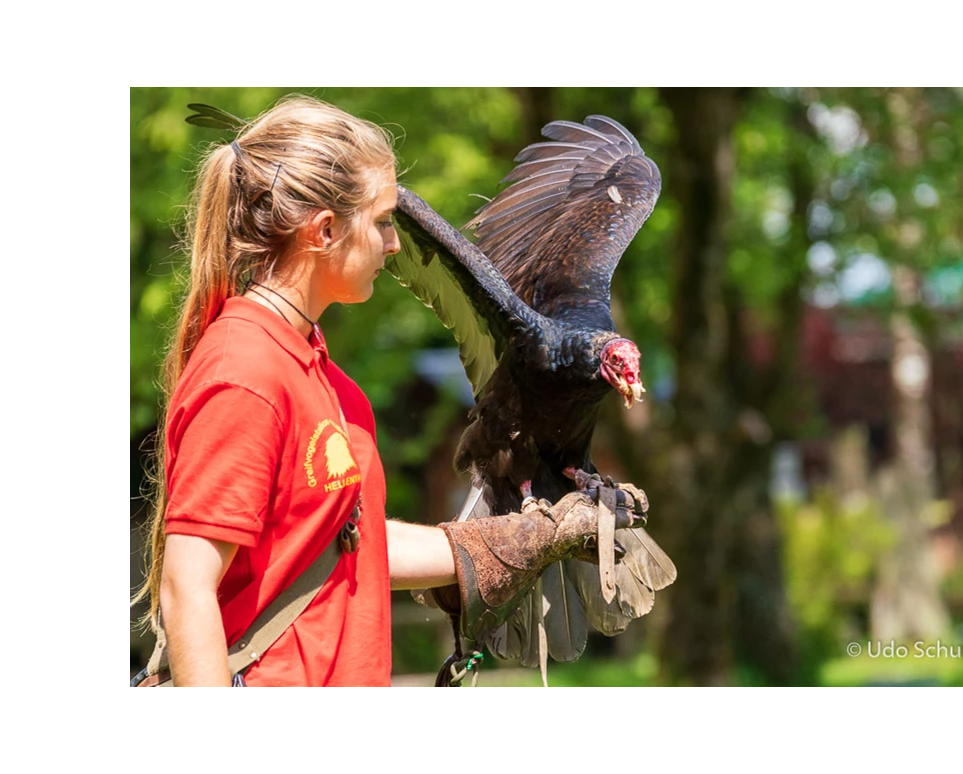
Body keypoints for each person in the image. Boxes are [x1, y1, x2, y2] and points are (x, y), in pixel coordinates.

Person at [131, 94, 649, 687]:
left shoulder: (330, 382)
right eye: (382, 223)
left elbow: (349, 548)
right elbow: (187, 587)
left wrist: (514, 541)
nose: (396, 243)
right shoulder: (245, 373)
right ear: (325, 230)